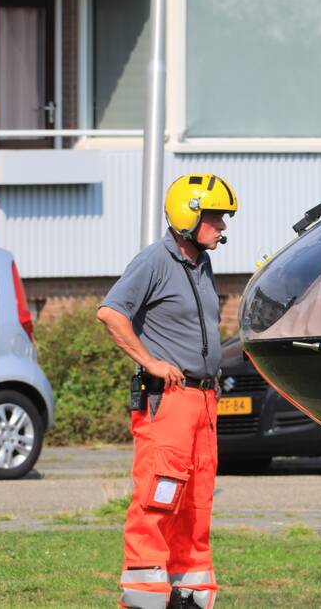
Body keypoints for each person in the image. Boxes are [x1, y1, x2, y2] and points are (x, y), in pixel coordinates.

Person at [97, 174, 237, 609]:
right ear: (188, 215)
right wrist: (150, 361)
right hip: (169, 402)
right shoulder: (154, 261)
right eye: (215, 217)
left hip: (204, 402)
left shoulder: (201, 263)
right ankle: (144, 599)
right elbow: (110, 313)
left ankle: (189, 594)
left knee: (196, 504)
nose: (223, 226)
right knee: (159, 498)